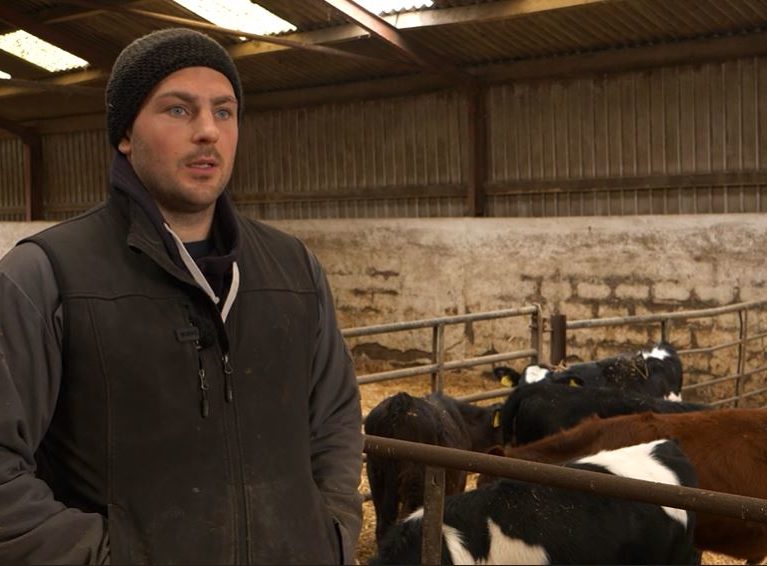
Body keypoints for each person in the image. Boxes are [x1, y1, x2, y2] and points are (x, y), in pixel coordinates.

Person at [0, 28, 363, 564]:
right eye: (177, 110)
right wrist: (108, 556)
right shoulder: (46, 276)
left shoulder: (294, 270)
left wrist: (328, 530)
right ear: (125, 132)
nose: (208, 132)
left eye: (224, 111)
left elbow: (334, 418)